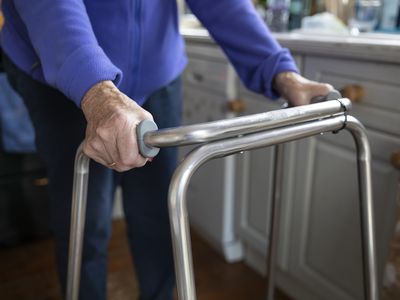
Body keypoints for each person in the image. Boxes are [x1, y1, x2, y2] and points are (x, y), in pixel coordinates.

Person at [0, 1, 332, 299]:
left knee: (159, 212)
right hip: (63, 71)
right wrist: (93, 87)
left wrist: (280, 71)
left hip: (157, 73)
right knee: (84, 218)